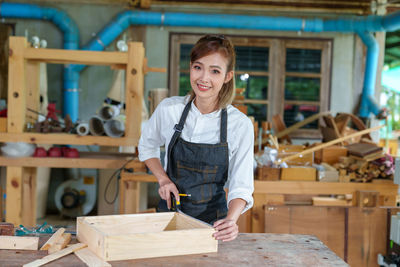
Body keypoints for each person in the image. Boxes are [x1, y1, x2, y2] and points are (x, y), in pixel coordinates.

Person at [138, 34, 254, 242]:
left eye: (215, 71)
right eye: (198, 67)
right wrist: (163, 179)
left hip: (213, 226)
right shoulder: (169, 109)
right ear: (190, 67)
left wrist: (231, 220)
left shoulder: (240, 125)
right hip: (168, 218)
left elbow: (242, 185)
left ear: (228, 76)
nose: (203, 78)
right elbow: (147, 146)